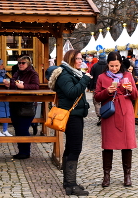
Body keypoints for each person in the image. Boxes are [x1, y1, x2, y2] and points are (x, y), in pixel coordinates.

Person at [45, 50, 91, 196]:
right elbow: (71, 93)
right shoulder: (65, 74)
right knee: (75, 148)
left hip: (76, 114)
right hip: (71, 116)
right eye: (77, 59)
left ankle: (68, 183)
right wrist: (84, 80)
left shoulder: (73, 73)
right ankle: (70, 184)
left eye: (81, 58)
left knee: (71, 147)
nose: (80, 61)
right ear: (70, 60)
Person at [94, 52, 138, 188]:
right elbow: (96, 97)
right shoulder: (102, 77)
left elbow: (136, 96)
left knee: (127, 144)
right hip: (110, 113)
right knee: (108, 144)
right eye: (111, 66)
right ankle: (106, 175)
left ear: (121, 64)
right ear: (107, 64)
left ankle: (127, 175)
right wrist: (107, 91)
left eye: (116, 66)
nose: (114, 68)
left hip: (125, 112)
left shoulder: (128, 76)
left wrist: (131, 90)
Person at [4, 56, 39, 159]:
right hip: (15, 104)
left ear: (28, 64)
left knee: (23, 129)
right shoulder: (17, 73)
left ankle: (25, 152)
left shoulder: (33, 74)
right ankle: (21, 151)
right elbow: (13, 82)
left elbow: (36, 87)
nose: (20, 64)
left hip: (27, 105)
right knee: (18, 129)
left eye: (23, 63)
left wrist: (24, 87)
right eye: (19, 62)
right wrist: (8, 84)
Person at [0, 58, 12, 136]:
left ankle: (5, 130)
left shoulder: (3, 73)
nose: (3, 65)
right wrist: (2, 80)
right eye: (1, 64)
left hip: (4, 95)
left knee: (6, 112)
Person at [90, 52, 108, 126]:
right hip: (106, 86)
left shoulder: (95, 66)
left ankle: (100, 115)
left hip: (96, 86)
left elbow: (91, 77)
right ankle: (105, 114)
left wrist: (90, 87)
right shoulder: (108, 66)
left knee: (97, 102)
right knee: (105, 101)